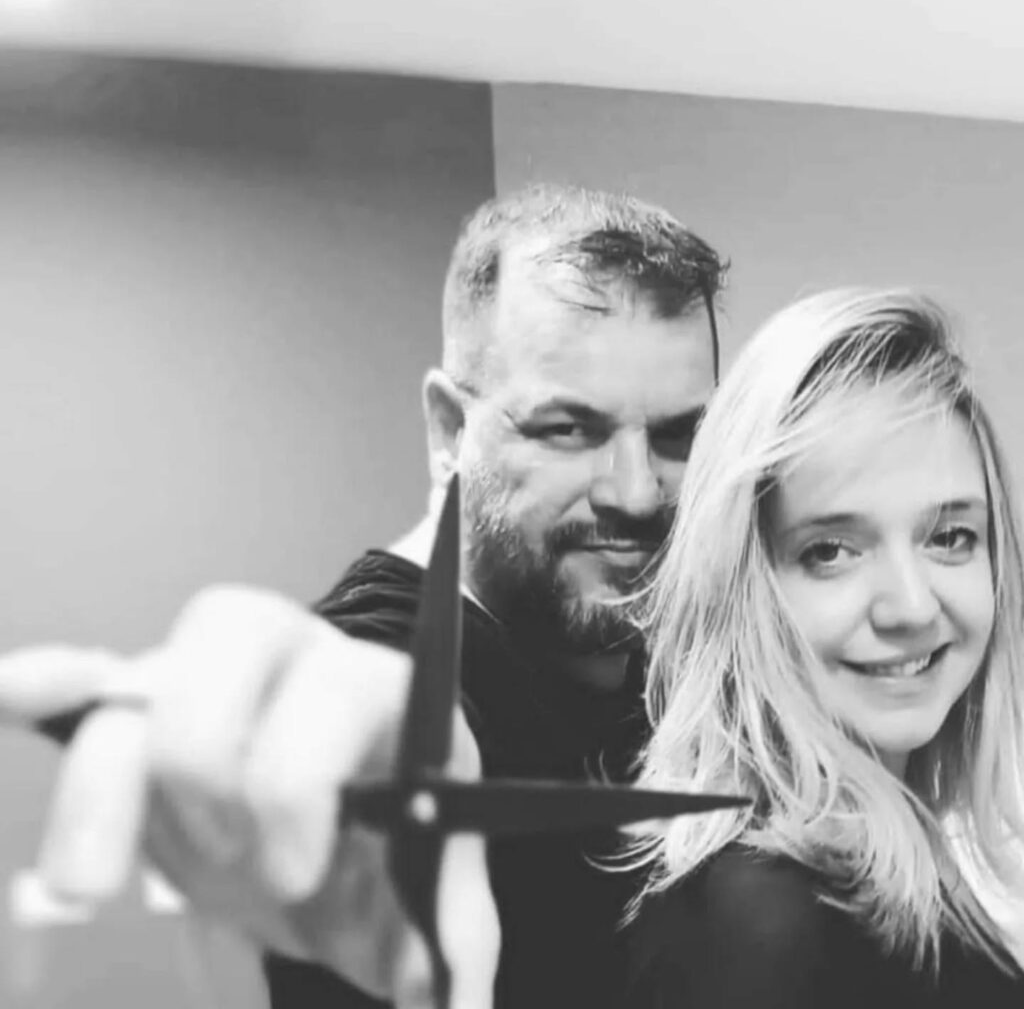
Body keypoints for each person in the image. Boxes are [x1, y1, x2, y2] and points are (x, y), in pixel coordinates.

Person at [2, 182, 728, 1008]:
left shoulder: (653, 647)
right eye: (568, 429)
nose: (637, 492)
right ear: (449, 432)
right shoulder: (393, 670)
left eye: (678, 436)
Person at [623, 288, 1024, 1006]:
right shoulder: (767, 923)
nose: (911, 606)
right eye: (832, 550)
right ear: (740, 585)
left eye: (949, 536)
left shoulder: (878, 864)